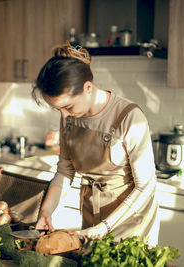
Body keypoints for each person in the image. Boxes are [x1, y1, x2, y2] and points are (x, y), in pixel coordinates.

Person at [32, 42, 159, 246]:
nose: (64, 115)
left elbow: (146, 186)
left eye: (68, 106)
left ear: (88, 88)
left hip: (130, 221)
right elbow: (65, 171)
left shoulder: (129, 117)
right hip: (92, 218)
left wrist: (105, 227)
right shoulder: (70, 117)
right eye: (58, 110)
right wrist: (46, 211)